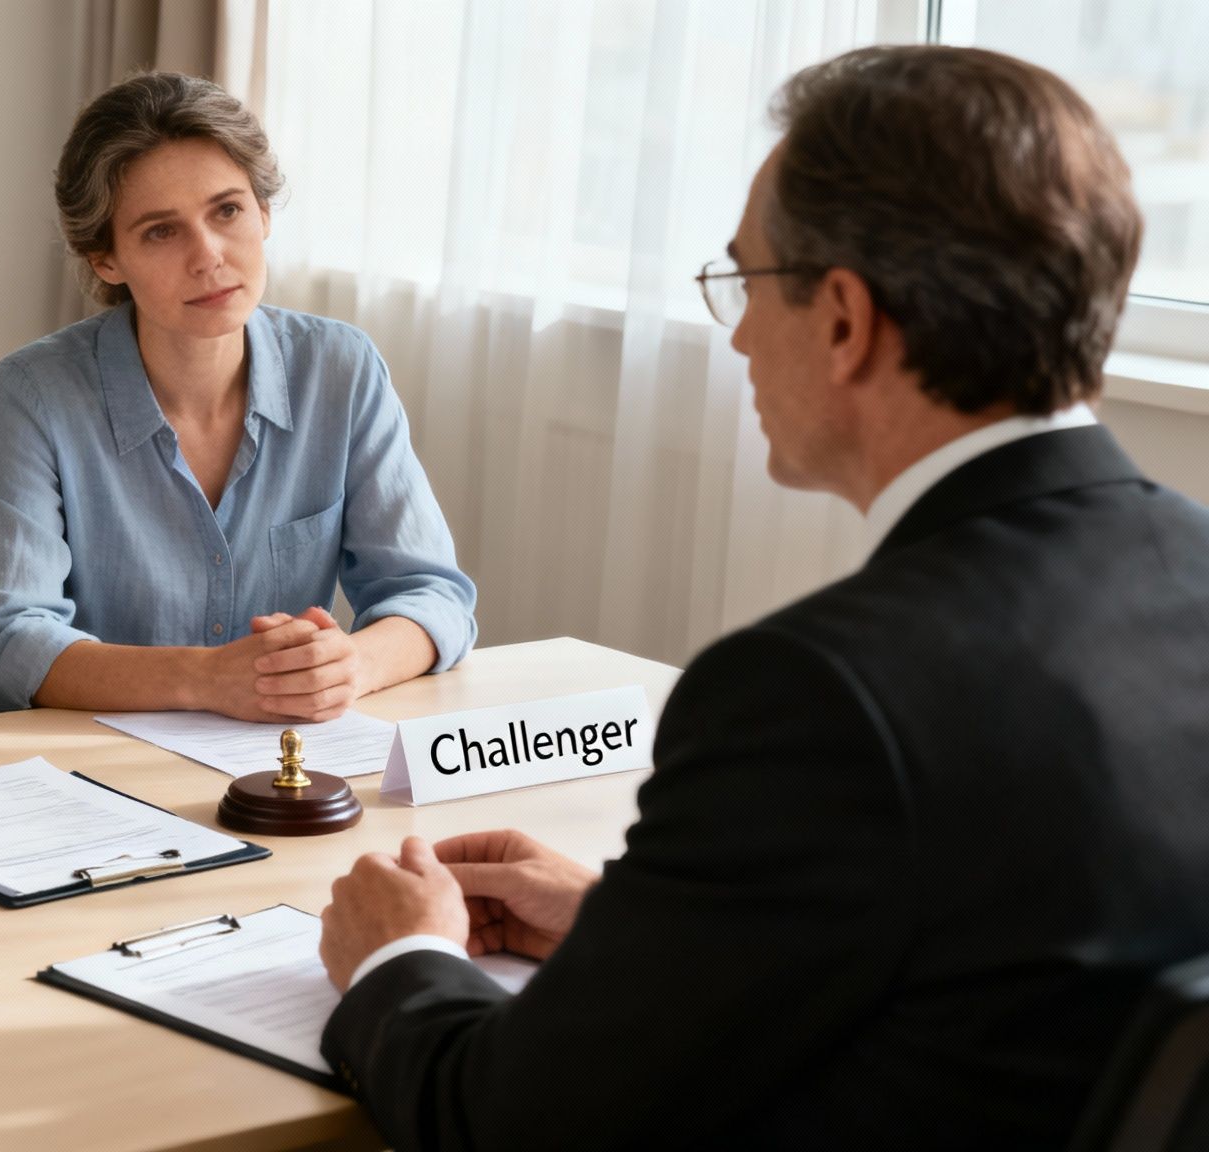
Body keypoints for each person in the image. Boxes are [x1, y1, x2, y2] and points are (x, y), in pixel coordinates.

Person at [316, 45, 1209, 1150]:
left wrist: (397, 958)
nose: (734, 332)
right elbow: (997, 965)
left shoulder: (817, 695)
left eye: (746, 281)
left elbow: (503, 1121)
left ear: (842, 318)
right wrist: (636, 932)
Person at [0, 72, 476, 720]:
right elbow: (8, 644)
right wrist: (209, 678)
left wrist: (351, 667)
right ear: (105, 259)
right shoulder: (33, 395)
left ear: (263, 213)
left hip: (264, 766)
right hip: (71, 775)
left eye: (227, 211)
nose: (208, 256)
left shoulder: (341, 370)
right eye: (160, 231)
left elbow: (433, 595)